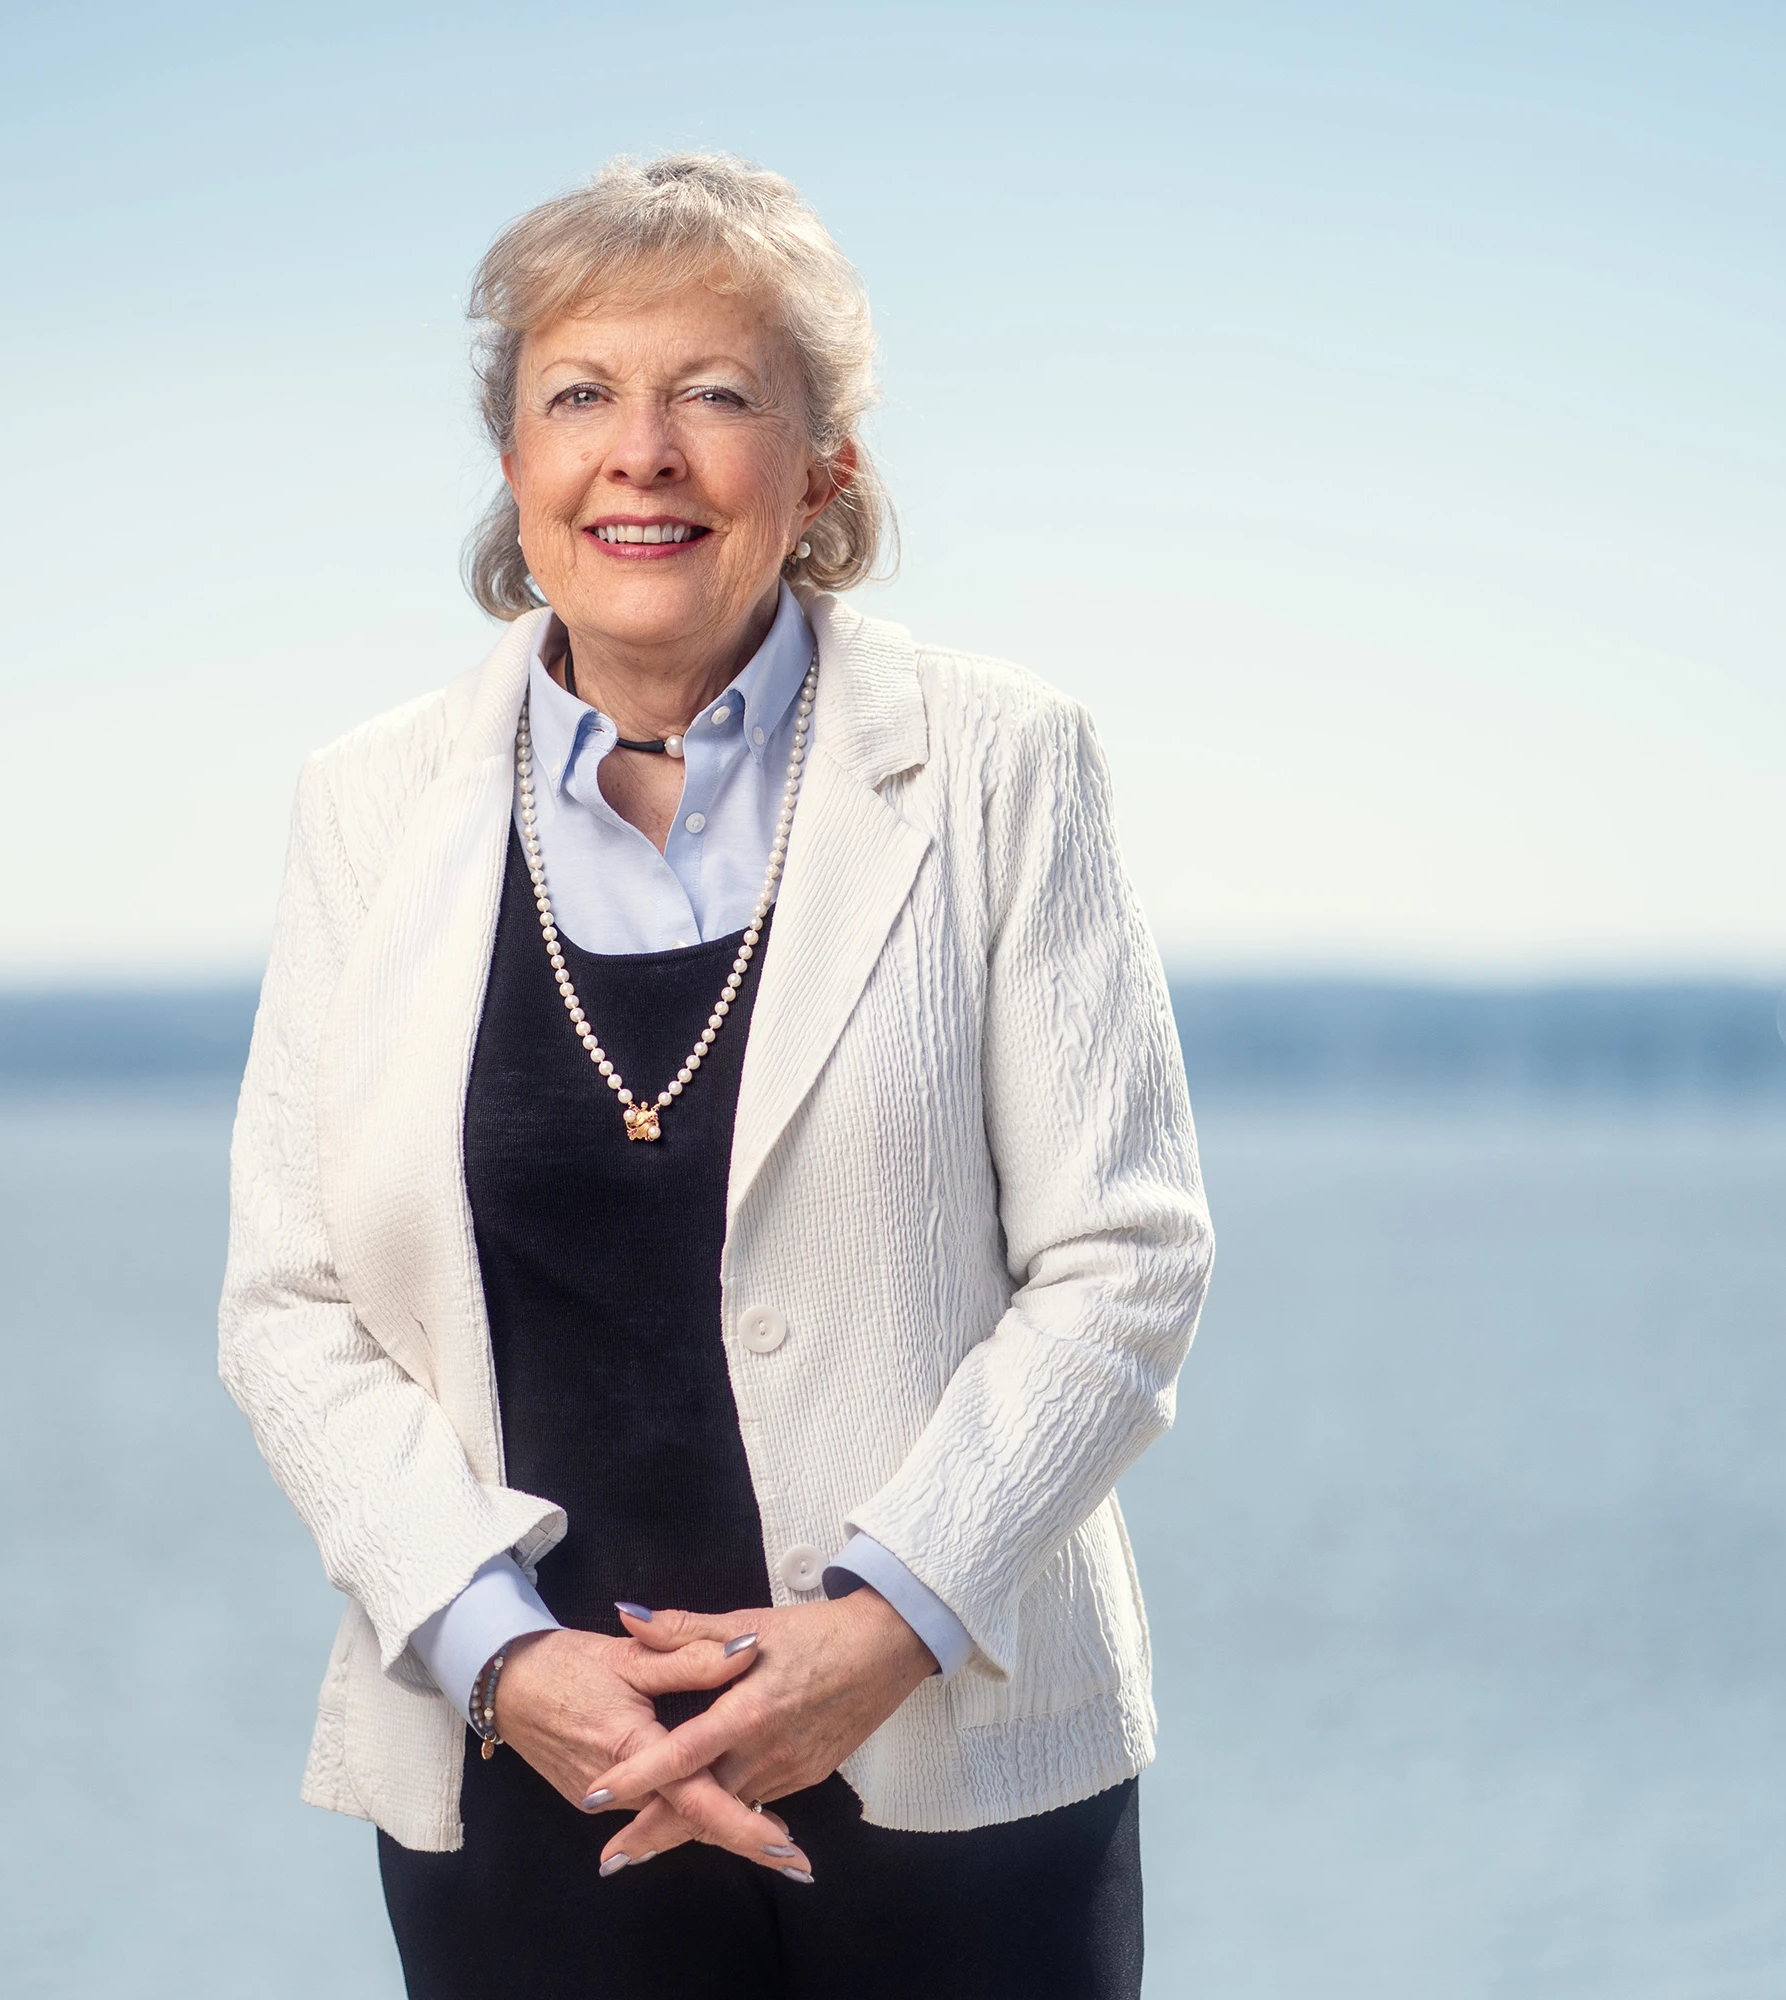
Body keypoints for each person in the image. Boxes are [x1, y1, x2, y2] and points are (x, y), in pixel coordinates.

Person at [218, 153, 1214, 2000]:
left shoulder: (1007, 764)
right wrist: (507, 1658)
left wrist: (882, 1629)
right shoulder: (366, 807)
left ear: (824, 467)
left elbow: (1127, 1260)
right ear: (514, 468)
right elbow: (290, 1308)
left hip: (953, 1776)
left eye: (718, 395)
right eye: (580, 393)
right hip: (529, 1785)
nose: (643, 451)